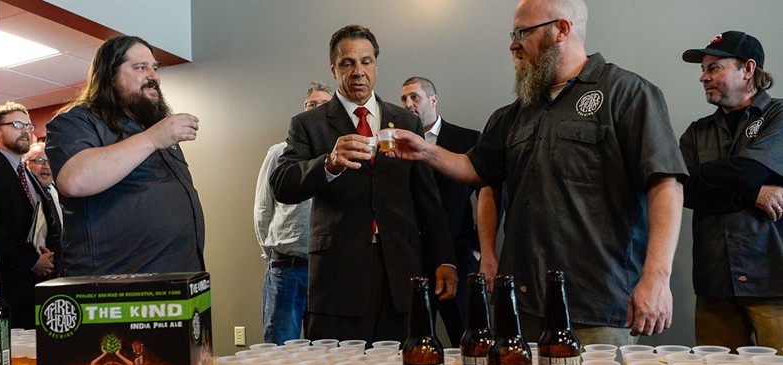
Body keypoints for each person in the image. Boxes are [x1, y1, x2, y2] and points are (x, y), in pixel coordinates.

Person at [390, 0, 687, 346]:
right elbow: (475, 168)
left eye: (522, 33)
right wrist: (425, 150)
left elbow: (665, 183)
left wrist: (657, 277)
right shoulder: (515, 113)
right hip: (524, 304)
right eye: (513, 34)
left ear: (561, 30)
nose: (513, 44)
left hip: (596, 305)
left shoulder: (628, 93)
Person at [270, 24, 457, 343]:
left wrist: (444, 258)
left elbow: (427, 199)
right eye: (348, 63)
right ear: (334, 68)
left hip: (401, 277)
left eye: (366, 62)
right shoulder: (309, 125)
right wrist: (327, 164)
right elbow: (283, 184)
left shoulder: (407, 121)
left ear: (376, 65)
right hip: (338, 280)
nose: (359, 71)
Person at [46, 35, 205, 276]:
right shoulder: (77, 121)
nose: (153, 76)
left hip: (178, 280)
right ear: (110, 75)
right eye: (140, 67)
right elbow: (74, 180)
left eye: (154, 67)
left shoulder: (150, 128)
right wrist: (152, 139)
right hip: (115, 288)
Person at [680, 30, 783, 350]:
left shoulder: (778, 116)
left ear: (748, 69)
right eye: (703, 69)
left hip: (773, 280)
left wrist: (736, 182)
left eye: (714, 68)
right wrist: (752, 194)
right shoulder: (697, 133)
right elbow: (681, 188)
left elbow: (750, 169)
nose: (703, 77)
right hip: (714, 285)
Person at [399, 76, 495, 346]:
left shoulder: (466, 138)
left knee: (471, 340)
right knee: (416, 344)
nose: (408, 104)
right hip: (413, 259)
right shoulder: (396, 144)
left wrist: (478, 249)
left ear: (433, 99)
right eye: (403, 99)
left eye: (414, 97)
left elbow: (490, 191)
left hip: (460, 257)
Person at [254, 81, 333, 345]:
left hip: (327, 271)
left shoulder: (341, 155)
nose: (316, 109)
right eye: (312, 104)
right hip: (286, 269)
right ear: (304, 110)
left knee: (325, 350)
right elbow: (263, 209)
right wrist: (273, 254)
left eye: (324, 105)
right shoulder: (280, 153)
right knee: (279, 349)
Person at [0, 101, 61, 328]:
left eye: (29, 126)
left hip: (37, 286)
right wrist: (32, 261)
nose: (25, 131)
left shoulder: (29, 175)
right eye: (17, 124)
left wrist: (49, 257)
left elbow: (44, 220)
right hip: (9, 284)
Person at [24, 142, 63, 227]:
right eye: (39, 160)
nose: (46, 166)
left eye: (50, 161)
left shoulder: (58, 190)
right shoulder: (22, 194)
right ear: (26, 164)